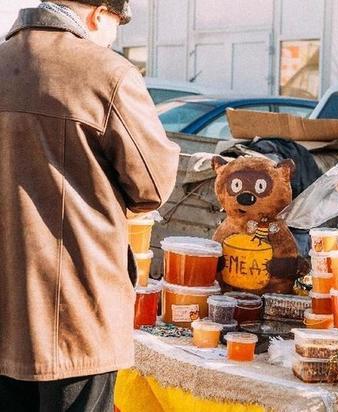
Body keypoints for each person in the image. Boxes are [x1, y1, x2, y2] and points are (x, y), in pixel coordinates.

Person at [0, 1, 180, 411]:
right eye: (117, 24)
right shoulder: (106, 73)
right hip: (73, 313)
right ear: (99, 14)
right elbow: (151, 186)